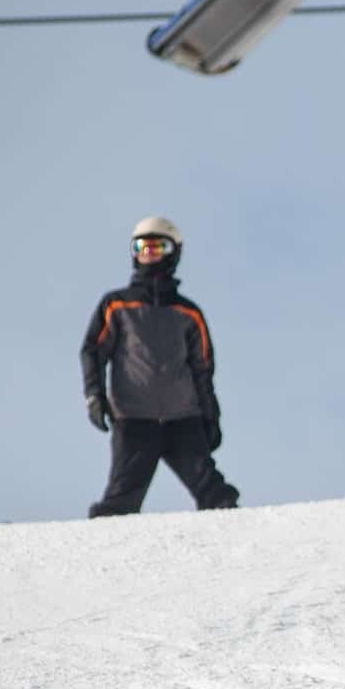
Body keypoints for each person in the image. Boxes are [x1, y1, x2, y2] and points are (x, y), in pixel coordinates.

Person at [79, 216, 239, 517]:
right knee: (120, 502)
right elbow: (92, 352)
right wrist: (94, 397)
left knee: (216, 496)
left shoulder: (188, 313)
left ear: (174, 252)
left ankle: (243, 552)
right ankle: (101, 557)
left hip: (183, 418)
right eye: (142, 246)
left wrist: (211, 416)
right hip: (134, 418)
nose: (149, 253)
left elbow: (203, 370)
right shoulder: (116, 306)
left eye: (158, 246)